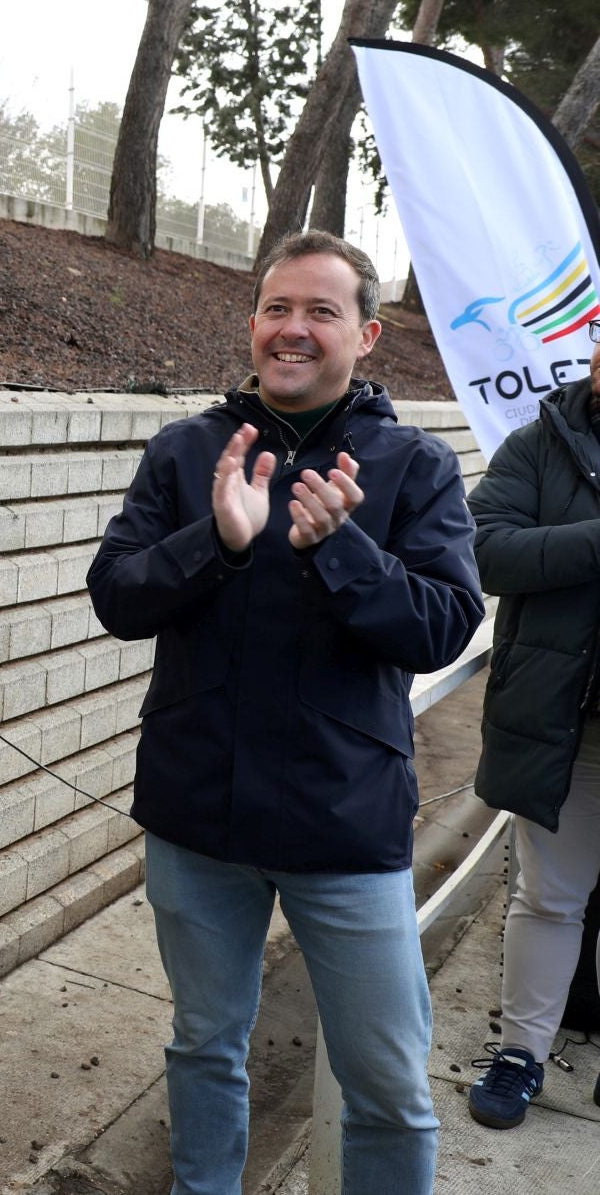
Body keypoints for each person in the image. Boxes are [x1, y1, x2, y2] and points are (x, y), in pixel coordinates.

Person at [87, 230, 483, 1195]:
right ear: (253, 321)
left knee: (387, 1081)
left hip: (344, 827)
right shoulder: (188, 450)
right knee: (203, 1044)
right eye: (276, 309)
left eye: (320, 311)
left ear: (368, 334)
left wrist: (342, 551)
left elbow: (445, 625)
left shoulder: (412, 465)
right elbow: (117, 596)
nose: (293, 330)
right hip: (197, 819)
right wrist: (215, 541)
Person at [459, 317, 600, 1129]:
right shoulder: (539, 440)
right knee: (550, 897)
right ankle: (520, 1054)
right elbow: (483, 550)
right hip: (564, 723)